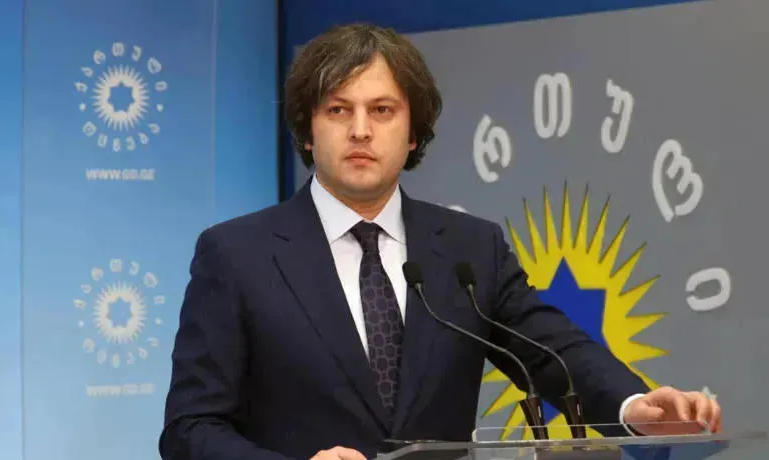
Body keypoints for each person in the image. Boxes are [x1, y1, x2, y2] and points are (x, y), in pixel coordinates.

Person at [159, 23, 721, 460]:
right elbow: (191, 428)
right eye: (338, 110)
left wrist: (634, 404)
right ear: (308, 132)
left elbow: (552, 352)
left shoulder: (469, 250)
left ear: (413, 132)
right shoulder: (237, 255)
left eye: (382, 110)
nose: (360, 130)